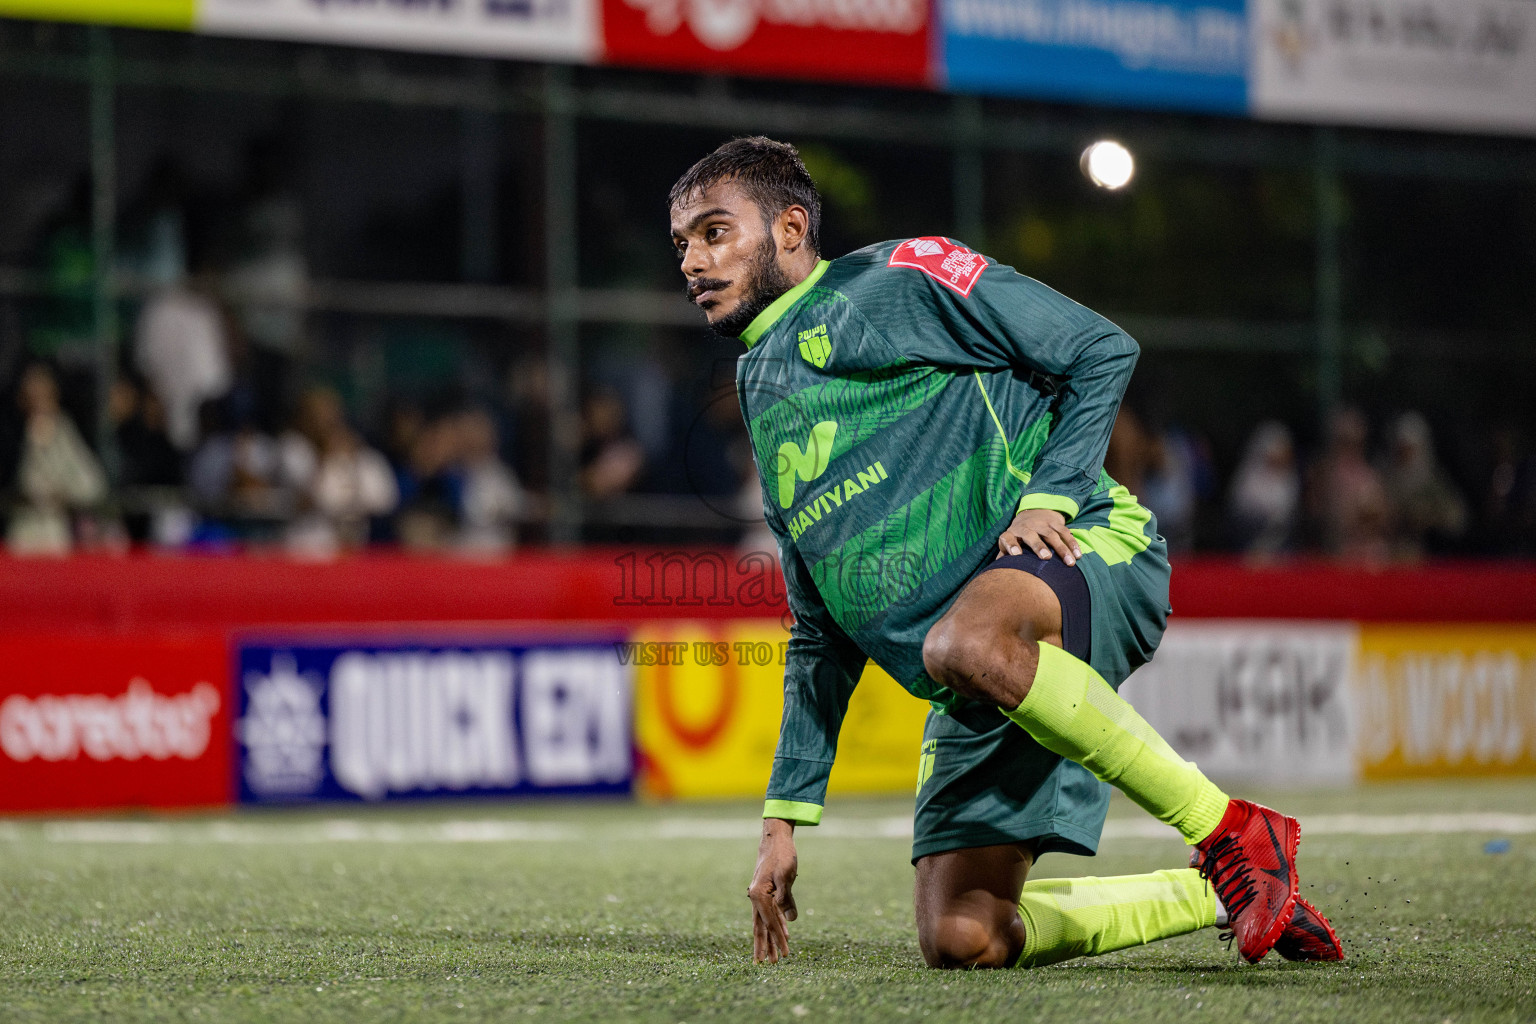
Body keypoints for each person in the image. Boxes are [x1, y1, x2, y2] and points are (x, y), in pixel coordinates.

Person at [667, 138, 1343, 971]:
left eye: (714, 231)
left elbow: (1101, 349)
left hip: (1087, 549)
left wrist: (1049, 494)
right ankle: (1216, 891)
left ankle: (1237, 833)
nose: (694, 260)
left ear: (792, 226)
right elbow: (817, 630)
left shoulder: (901, 276)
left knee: (964, 644)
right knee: (964, 938)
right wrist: (783, 821)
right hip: (980, 673)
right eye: (683, 245)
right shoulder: (759, 386)